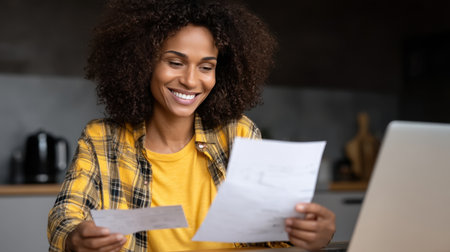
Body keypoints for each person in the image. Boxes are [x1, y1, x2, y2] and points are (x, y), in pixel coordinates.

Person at [47, 0, 336, 251]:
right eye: (175, 62)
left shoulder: (239, 134)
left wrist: (310, 233)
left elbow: (272, 231)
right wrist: (74, 237)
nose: (190, 80)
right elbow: (66, 213)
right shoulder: (103, 138)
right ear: (142, 63)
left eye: (206, 67)